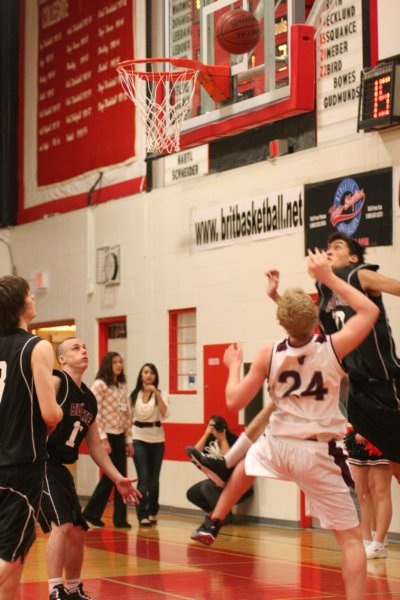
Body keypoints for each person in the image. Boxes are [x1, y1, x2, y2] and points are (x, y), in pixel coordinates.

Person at [191, 249, 379, 600]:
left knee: (246, 464)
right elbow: (369, 311)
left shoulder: (269, 353)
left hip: (278, 444)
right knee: (351, 541)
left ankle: (213, 520)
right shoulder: (332, 346)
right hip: (317, 451)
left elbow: (234, 402)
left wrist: (233, 366)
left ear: (281, 323)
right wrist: (328, 277)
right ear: (316, 317)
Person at [39, 338, 141, 600]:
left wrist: (117, 478)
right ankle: (55, 589)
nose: (83, 350)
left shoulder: (88, 399)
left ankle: (73, 588)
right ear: (62, 359)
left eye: (84, 347)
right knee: (62, 525)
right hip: (40, 463)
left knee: (78, 530)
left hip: (60, 467)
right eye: (75, 348)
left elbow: (95, 446)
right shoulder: (56, 382)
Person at [316, 232, 400, 484]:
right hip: (358, 390)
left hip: (386, 382)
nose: (329, 251)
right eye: (328, 247)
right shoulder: (324, 289)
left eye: (337, 246)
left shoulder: (359, 275)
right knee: (396, 461)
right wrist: (276, 297)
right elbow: (304, 323)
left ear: (353, 257)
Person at [0, 275, 63, 600]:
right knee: (12, 554)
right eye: (29, 294)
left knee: (15, 555)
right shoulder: (36, 346)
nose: (34, 297)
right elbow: (50, 414)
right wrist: (59, 412)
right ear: (19, 303)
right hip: (20, 463)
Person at [82, 352, 134, 528]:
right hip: (107, 435)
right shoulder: (100, 385)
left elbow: (126, 415)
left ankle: (119, 518)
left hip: (120, 435)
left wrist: (129, 440)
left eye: (120, 362)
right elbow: (94, 412)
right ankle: (91, 512)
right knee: (111, 476)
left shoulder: (121, 386)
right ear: (108, 364)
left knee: (121, 477)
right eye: (115, 362)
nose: (119, 365)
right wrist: (103, 438)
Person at [186, 415, 252, 519]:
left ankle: (224, 517)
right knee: (192, 493)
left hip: (235, 482)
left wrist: (223, 439)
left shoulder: (233, 439)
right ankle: (216, 514)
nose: (214, 429)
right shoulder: (210, 441)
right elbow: (194, 455)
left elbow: (229, 462)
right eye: (211, 426)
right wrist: (206, 435)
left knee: (206, 486)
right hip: (219, 482)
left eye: (217, 426)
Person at [343, 425, 392, 559]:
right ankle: (366, 539)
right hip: (357, 435)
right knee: (359, 491)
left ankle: (379, 542)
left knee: (381, 490)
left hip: (381, 434)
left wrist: (368, 430)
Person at [130, 363, 169, 526]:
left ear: (156, 376)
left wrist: (156, 394)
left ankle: (153, 511)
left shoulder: (162, 394)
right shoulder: (134, 395)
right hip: (138, 438)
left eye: (152, 373)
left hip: (157, 439)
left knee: (154, 480)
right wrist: (127, 441)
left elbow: (165, 414)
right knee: (143, 478)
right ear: (141, 375)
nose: (149, 375)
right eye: (146, 372)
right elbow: (128, 419)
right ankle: (142, 514)